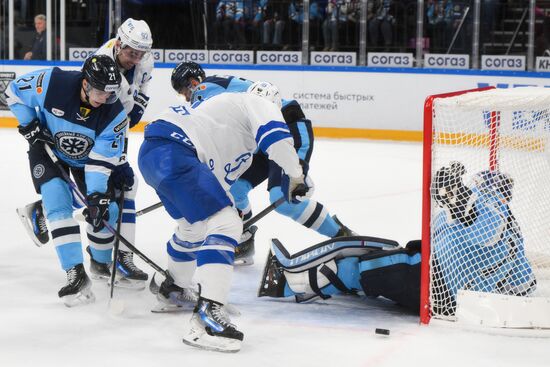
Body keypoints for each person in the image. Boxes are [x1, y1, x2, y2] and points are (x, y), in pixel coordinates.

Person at [138, 89, 311, 352]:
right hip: (175, 151)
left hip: (156, 154)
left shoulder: (229, 130)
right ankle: (208, 317)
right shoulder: (257, 101)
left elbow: (215, 182)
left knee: (194, 227)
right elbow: (278, 140)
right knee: (226, 223)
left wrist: (227, 203)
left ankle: (172, 289)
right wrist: (297, 175)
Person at [171, 62, 356, 267]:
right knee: (234, 189)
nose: (187, 98)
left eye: (183, 92)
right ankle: (244, 238)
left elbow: (209, 132)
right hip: (260, 141)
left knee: (283, 198)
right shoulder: (219, 89)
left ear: (193, 82)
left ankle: (342, 234)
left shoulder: (204, 90)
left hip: (285, 130)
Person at [17, 18, 153, 289]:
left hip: (112, 128)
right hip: (85, 134)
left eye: (140, 53)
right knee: (96, 194)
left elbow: (142, 89)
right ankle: (54, 215)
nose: (136, 59)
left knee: (119, 191)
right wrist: (29, 124)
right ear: (118, 44)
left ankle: (113, 255)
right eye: (131, 53)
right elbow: (87, 113)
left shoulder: (143, 59)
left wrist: (135, 109)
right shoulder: (99, 65)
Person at [6, 55, 126, 307]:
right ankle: (75, 272)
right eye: (101, 92)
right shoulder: (53, 82)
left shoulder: (114, 113)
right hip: (47, 149)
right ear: (85, 83)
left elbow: (101, 160)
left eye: (110, 94)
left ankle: (100, 260)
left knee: (106, 211)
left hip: (87, 162)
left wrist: (95, 195)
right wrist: (29, 125)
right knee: (57, 203)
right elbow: (13, 91)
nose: (105, 98)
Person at [430, 162, 536, 316]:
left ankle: (466, 210)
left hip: (443, 283)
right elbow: (526, 285)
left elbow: (488, 229)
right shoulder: (509, 225)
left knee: (394, 265)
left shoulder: (491, 207)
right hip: (455, 290)